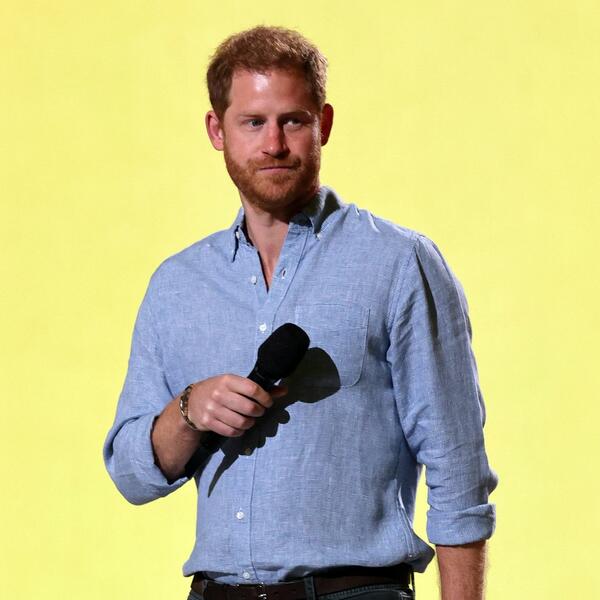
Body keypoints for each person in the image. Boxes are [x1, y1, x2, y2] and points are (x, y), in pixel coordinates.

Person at [103, 25, 497, 600]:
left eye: (292, 121)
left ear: (323, 125)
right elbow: (132, 475)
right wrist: (189, 411)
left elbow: (458, 470)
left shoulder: (398, 263)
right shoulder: (177, 285)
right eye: (252, 122)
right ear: (217, 130)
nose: (274, 144)